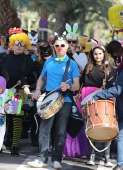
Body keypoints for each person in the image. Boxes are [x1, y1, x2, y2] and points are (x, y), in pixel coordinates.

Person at [26, 31, 80, 169]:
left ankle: (57, 159)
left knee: (60, 131)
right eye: (57, 45)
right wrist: (38, 89)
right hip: (49, 99)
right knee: (44, 129)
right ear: (53, 47)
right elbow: (41, 78)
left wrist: (68, 86)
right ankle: (41, 159)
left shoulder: (72, 64)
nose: (60, 47)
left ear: (67, 46)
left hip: (65, 101)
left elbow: (77, 85)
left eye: (62, 45)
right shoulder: (49, 61)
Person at [91, 45, 123, 170]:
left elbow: (118, 89)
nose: (119, 57)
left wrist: (100, 95)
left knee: (121, 137)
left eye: (122, 55)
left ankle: (120, 165)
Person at [75, 39, 116, 167]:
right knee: (89, 126)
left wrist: (106, 85)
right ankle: (91, 155)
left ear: (104, 54)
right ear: (92, 55)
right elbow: (82, 82)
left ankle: (107, 157)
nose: (97, 56)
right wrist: (79, 93)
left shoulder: (109, 68)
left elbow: (112, 85)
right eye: (95, 54)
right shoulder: (88, 67)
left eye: (100, 53)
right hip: (87, 97)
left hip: (102, 97)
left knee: (105, 125)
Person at [2, 32, 33, 156]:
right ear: (12, 44)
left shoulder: (28, 59)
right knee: (3, 117)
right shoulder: (5, 57)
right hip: (4, 92)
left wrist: (25, 82)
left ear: (25, 46)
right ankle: (2, 143)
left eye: (22, 44)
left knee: (17, 119)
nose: (19, 46)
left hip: (19, 93)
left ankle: (14, 145)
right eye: (17, 44)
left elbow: (33, 77)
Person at [23, 41, 55, 147]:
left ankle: (52, 143)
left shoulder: (58, 63)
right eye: (43, 51)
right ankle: (36, 140)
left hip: (54, 94)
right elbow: (22, 74)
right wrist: (25, 86)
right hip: (39, 93)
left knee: (53, 120)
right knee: (36, 118)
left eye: (48, 51)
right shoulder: (37, 64)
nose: (46, 53)